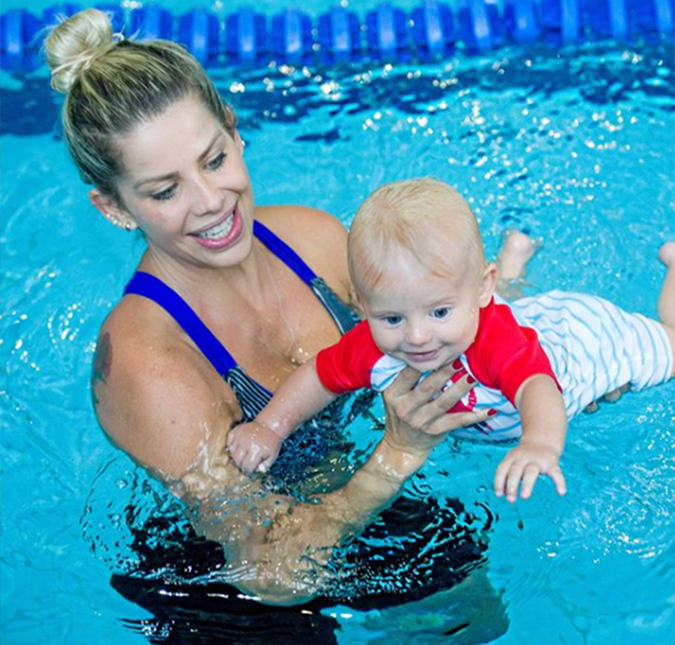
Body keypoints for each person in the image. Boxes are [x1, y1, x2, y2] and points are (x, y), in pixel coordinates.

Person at [44, 10, 536, 615]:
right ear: (114, 207)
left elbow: (438, 332)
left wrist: (545, 369)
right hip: (224, 585)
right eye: (165, 191)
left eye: (214, 159)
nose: (210, 203)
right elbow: (274, 574)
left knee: (475, 616)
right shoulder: (147, 364)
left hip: (355, 489)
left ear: (235, 130)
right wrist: (397, 454)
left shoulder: (315, 242)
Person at [228, 178, 675, 503]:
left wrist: (539, 443)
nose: (417, 336)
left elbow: (537, 386)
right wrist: (270, 426)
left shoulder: (496, 342)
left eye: (437, 311)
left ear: (481, 288)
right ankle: (512, 259)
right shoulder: (378, 339)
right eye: (392, 317)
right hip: (497, 316)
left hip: (578, 345)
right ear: (362, 305)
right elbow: (319, 376)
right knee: (476, 310)